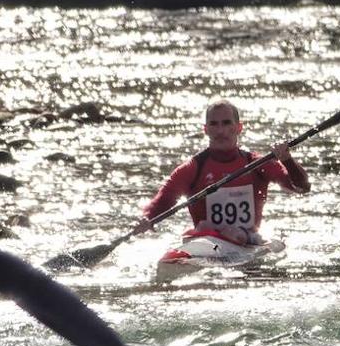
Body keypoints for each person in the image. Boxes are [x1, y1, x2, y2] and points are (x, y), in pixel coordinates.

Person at [132, 100, 309, 246]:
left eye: (226, 123)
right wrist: (147, 219)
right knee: (200, 232)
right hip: (204, 240)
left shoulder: (257, 163)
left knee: (235, 234)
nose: (220, 131)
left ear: (238, 128)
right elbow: (163, 200)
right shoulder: (192, 169)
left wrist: (287, 160)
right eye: (214, 124)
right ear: (206, 130)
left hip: (246, 241)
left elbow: (301, 187)